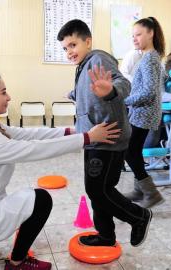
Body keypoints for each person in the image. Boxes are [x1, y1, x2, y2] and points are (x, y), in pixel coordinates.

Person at [0, 71, 121, 270]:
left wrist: (73, 130)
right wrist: (87, 138)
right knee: (41, 200)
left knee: (13, 201)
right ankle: (17, 262)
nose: (9, 97)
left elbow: (28, 133)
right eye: (3, 92)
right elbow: (35, 149)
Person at [57, 19, 152, 248]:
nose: (69, 52)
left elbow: (123, 83)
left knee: (98, 190)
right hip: (94, 138)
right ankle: (106, 236)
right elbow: (91, 91)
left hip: (108, 137)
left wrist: (111, 90)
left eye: (72, 45)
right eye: (65, 48)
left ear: (87, 41)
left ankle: (139, 217)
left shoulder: (98, 58)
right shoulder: (83, 65)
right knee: (98, 190)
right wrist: (74, 94)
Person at [123, 17, 165, 208]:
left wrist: (126, 101)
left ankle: (151, 193)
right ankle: (140, 190)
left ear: (151, 33)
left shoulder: (149, 58)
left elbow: (148, 92)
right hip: (143, 112)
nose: (135, 39)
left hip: (143, 113)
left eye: (138, 34)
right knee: (135, 151)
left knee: (130, 153)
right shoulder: (150, 56)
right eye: (133, 35)